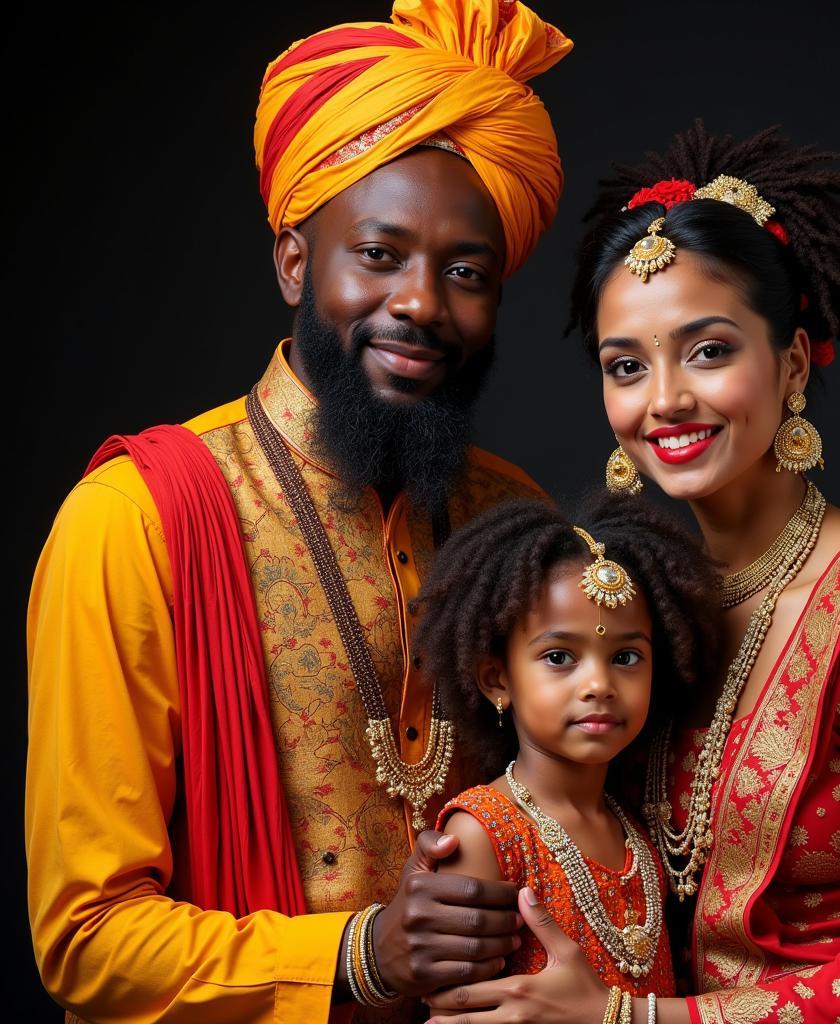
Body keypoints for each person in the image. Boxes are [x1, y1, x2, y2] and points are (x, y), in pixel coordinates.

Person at [25, 2, 573, 1022]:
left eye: (467, 273)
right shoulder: (134, 519)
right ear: (292, 260)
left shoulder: (515, 518)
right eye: (378, 254)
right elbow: (86, 940)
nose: (420, 302)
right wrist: (361, 953)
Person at [424, 123, 840, 1024]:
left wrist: (631, 1021)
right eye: (627, 365)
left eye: (708, 350)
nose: (664, 399)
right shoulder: (638, 612)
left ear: (789, 363)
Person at [413, 493, 719, 1000]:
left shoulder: (639, 831)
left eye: (625, 656)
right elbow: (457, 1009)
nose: (599, 683)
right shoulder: (485, 834)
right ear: (496, 680)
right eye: (559, 657)